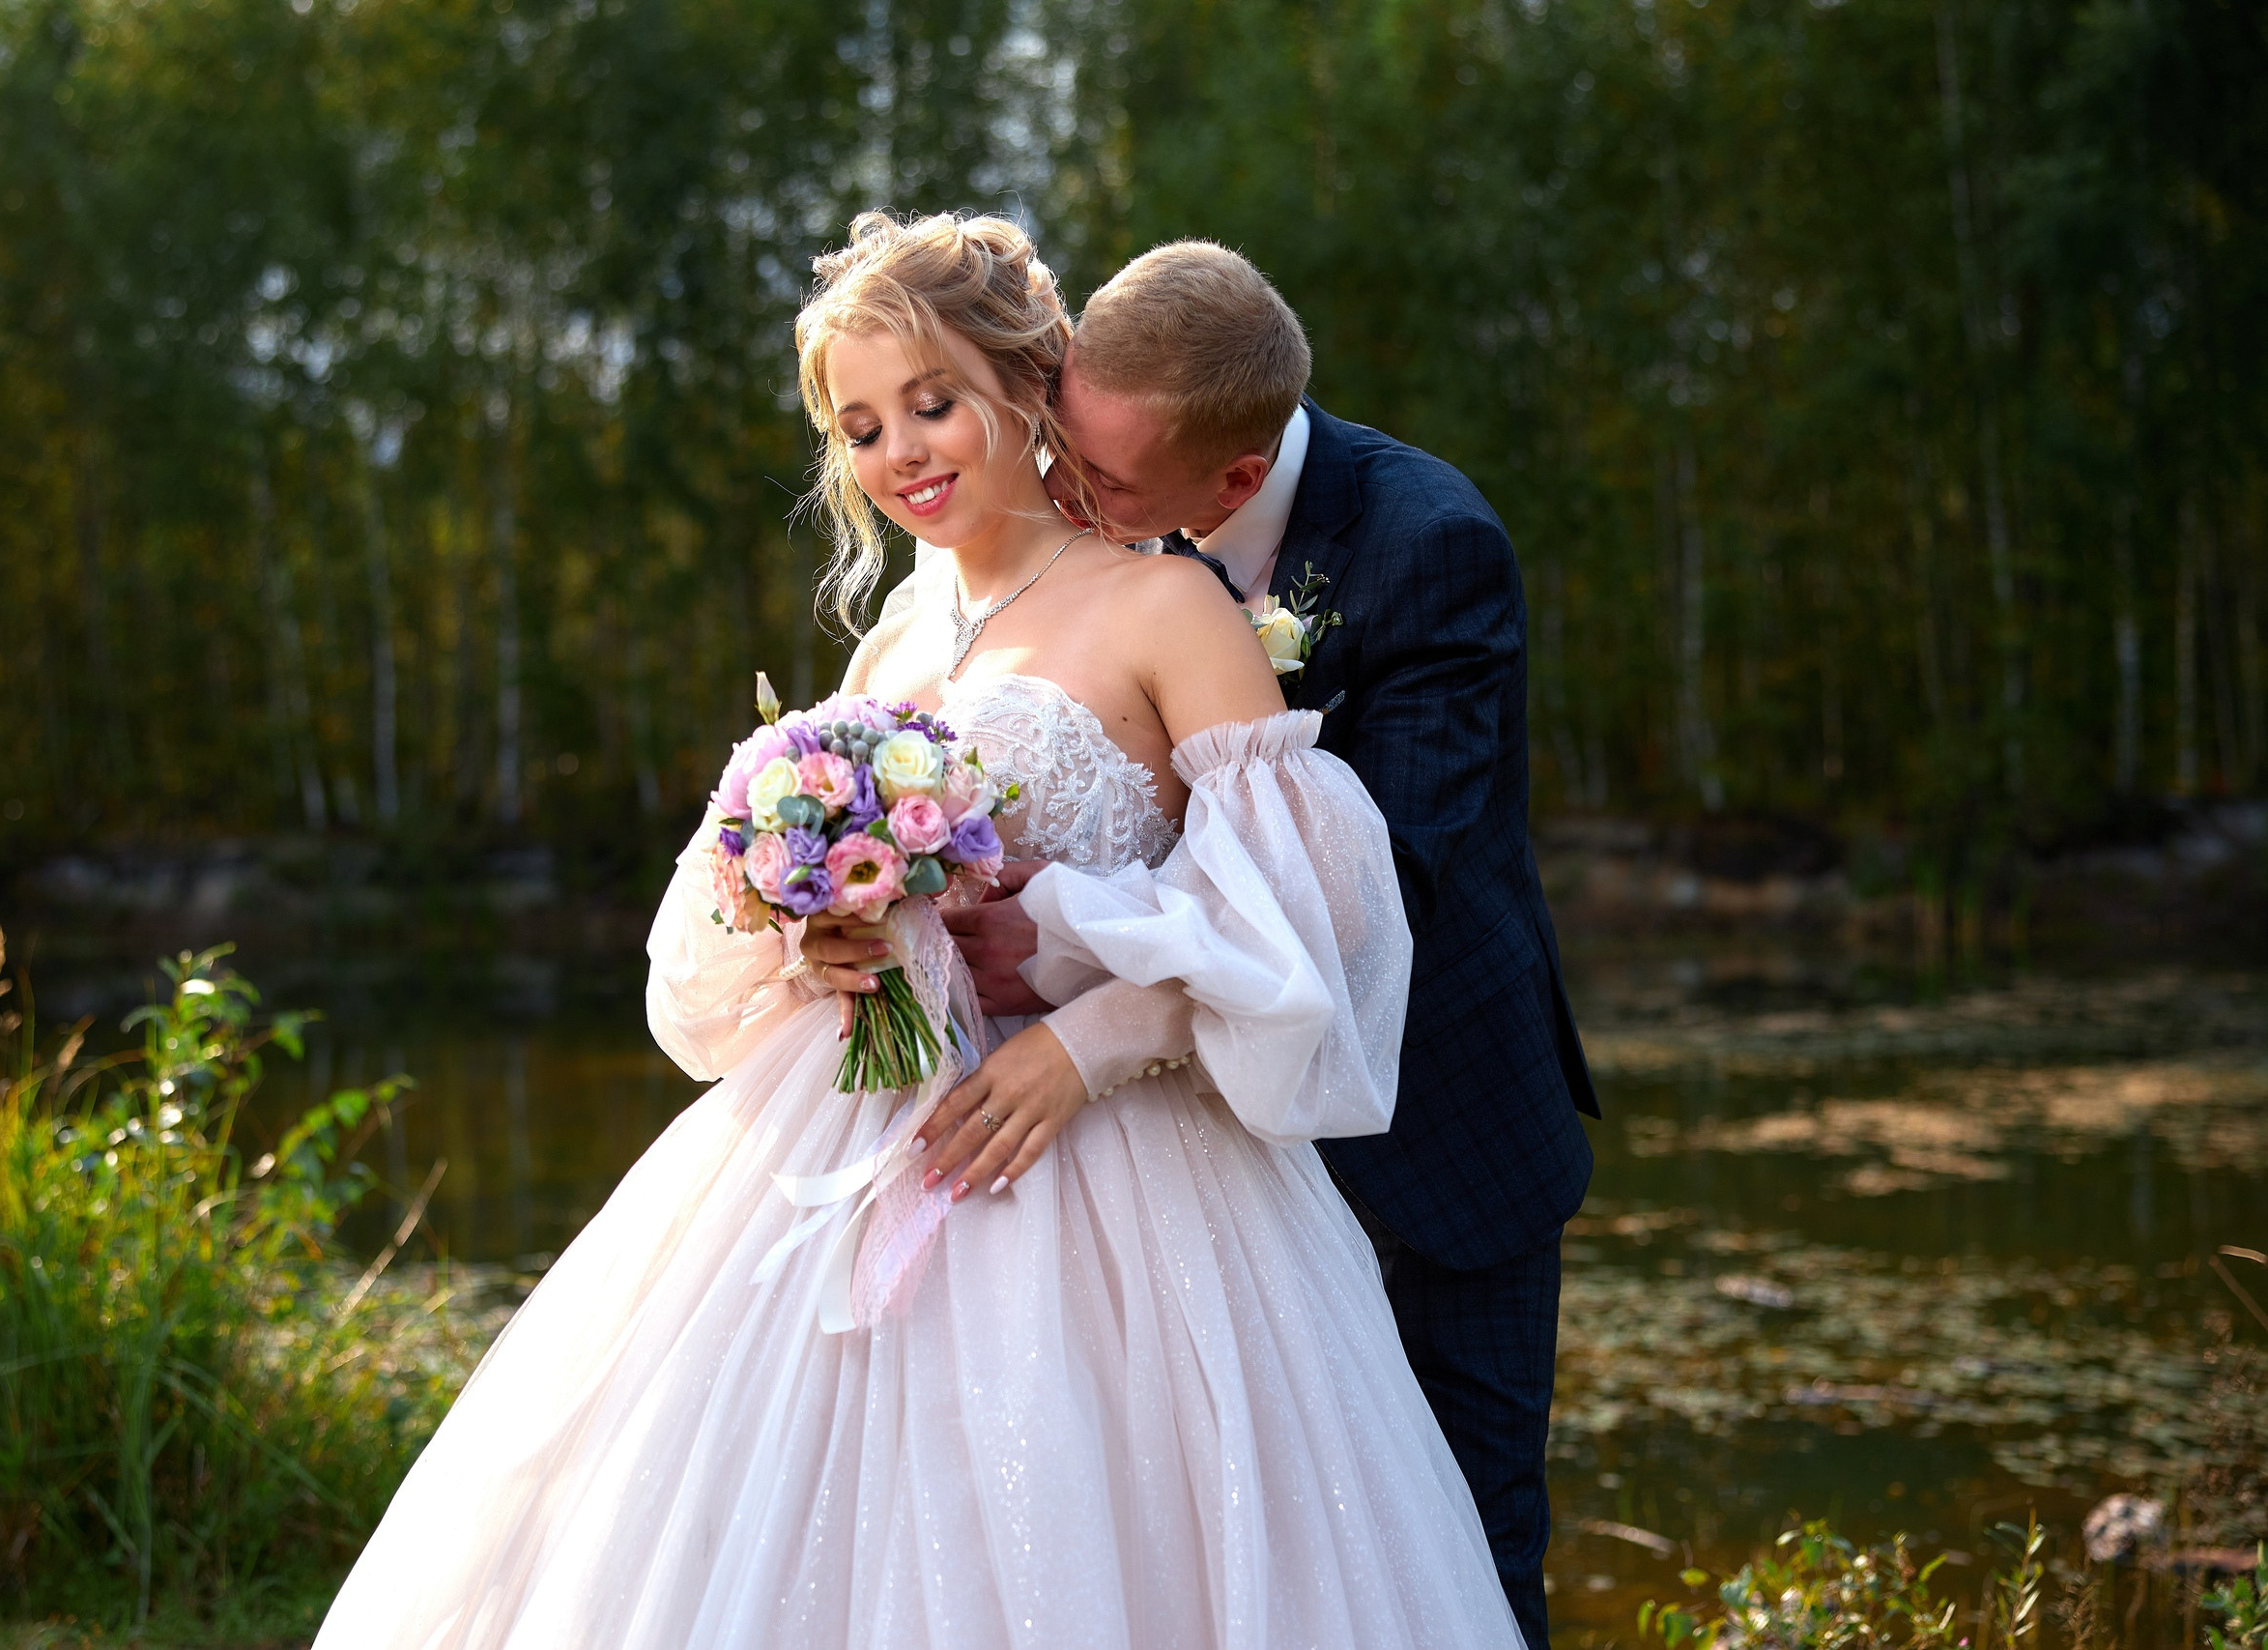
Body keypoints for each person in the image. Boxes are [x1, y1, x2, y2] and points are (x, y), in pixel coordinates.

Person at [311, 211, 1524, 1649]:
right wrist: (816, 936)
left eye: (934, 403)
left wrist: (1092, 1043)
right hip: (873, 1123)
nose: (903, 453)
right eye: (862, 425)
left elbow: (1304, 912)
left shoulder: (1165, 600)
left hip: (1110, 1155)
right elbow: (813, 893)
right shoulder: (898, 637)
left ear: (1033, 383)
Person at [939, 240, 1599, 1650]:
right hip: (1182, 1166)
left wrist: (1074, 973)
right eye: (1062, 436)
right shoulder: (1081, 520)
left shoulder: (1426, 541)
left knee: (1455, 1553)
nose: (1066, 486)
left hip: (1427, 1127)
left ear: (1234, 486)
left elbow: (1377, 886)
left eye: (1104, 480)